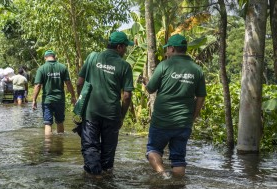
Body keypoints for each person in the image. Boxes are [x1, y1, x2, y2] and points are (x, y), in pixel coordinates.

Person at [142, 34, 207, 178]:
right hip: (183, 122)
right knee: (178, 159)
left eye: (167, 49)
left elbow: (151, 89)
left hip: (161, 120)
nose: (166, 51)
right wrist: (193, 116)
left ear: (172, 49)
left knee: (153, 150)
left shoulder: (164, 65)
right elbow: (201, 96)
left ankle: (163, 175)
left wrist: (146, 82)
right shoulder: (197, 69)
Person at [76, 31, 134, 176]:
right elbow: (126, 96)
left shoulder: (92, 57)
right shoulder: (125, 66)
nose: (125, 51)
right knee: (108, 154)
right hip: (112, 114)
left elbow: (79, 83)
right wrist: (121, 117)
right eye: (125, 47)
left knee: (90, 147)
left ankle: (95, 178)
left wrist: (81, 103)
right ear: (119, 47)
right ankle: (106, 182)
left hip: (91, 112)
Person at [32, 50, 77, 136]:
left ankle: (48, 147)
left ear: (45, 58)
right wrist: (73, 96)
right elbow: (68, 83)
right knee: (60, 122)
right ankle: (59, 144)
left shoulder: (41, 69)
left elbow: (38, 85)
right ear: (54, 57)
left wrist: (34, 100)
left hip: (47, 100)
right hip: (60, 100)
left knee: (48, 123)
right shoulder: (62, 67)